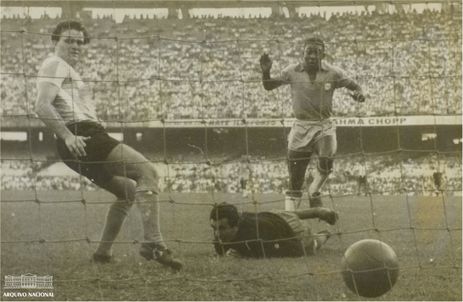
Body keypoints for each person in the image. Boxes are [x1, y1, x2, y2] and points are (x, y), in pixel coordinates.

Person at [34, 20, 182, 270]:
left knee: (126, 193)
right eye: (68, 40)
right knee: (148, 172)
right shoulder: (54, 63)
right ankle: (153, 243)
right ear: (54, 42)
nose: (75, 46)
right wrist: (68, 136)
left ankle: (103, 253)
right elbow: (41, 105)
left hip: (78, 140)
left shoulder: (68, 70)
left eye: (80, 42)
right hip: (82, 136)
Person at [260, 37, 365, 211]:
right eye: (309, 51)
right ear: (303, 52)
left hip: (324, 124)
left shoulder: (333, 73)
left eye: (317, 52)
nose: (312, 56)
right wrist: (265, 72)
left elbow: (356, 86)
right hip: (301, 126)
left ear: (323, 54)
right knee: (295, 179)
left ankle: (314, 190)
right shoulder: (291, 72)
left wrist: (359, 95)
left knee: (326, 157)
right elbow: (268, 86)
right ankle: (290, 217)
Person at [210, 202, 338, 258]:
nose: (217, 234)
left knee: (309, 246)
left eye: (222, 228)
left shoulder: (254, 238)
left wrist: (245, 254)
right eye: (214, 228)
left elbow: (295, 249)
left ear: (235, 226)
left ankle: (324, 234)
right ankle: (318, 211)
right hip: (272, 216)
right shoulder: (224, 235)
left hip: (292, 228)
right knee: (288, 214)